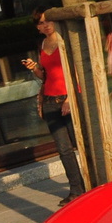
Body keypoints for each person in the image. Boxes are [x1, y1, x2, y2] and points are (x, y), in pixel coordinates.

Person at [21, 12, 85, 205]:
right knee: (64, 149)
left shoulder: (65, 41)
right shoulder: (41, 45)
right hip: (49, 100)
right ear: (38, 28)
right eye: (41, 23)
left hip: (68, 98)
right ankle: (76, 189)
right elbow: (44, 75)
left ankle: (97, 181)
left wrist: (69, 99)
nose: (46, 25)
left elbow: (75, 70)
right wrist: (33, 68)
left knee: (82, 143)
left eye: (48, 20)